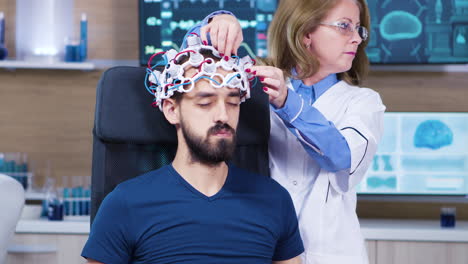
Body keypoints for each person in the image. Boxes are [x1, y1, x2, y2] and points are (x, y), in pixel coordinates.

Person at [183, 0, 386, 263]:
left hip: (331, 254)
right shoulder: (256, 86)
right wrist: (217, 24)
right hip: (262, 248)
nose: (357, 38)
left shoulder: (363, 102)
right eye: (344, 26)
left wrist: (287, 103)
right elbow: (188, 74)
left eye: (359, 29)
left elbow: (342, 156)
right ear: (305, 33)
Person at [81, 35, 304, 264]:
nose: (223, 116)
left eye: (233, 103)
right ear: (171, 110)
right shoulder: (125, 204)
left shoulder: (274, 200)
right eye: (205, 103)